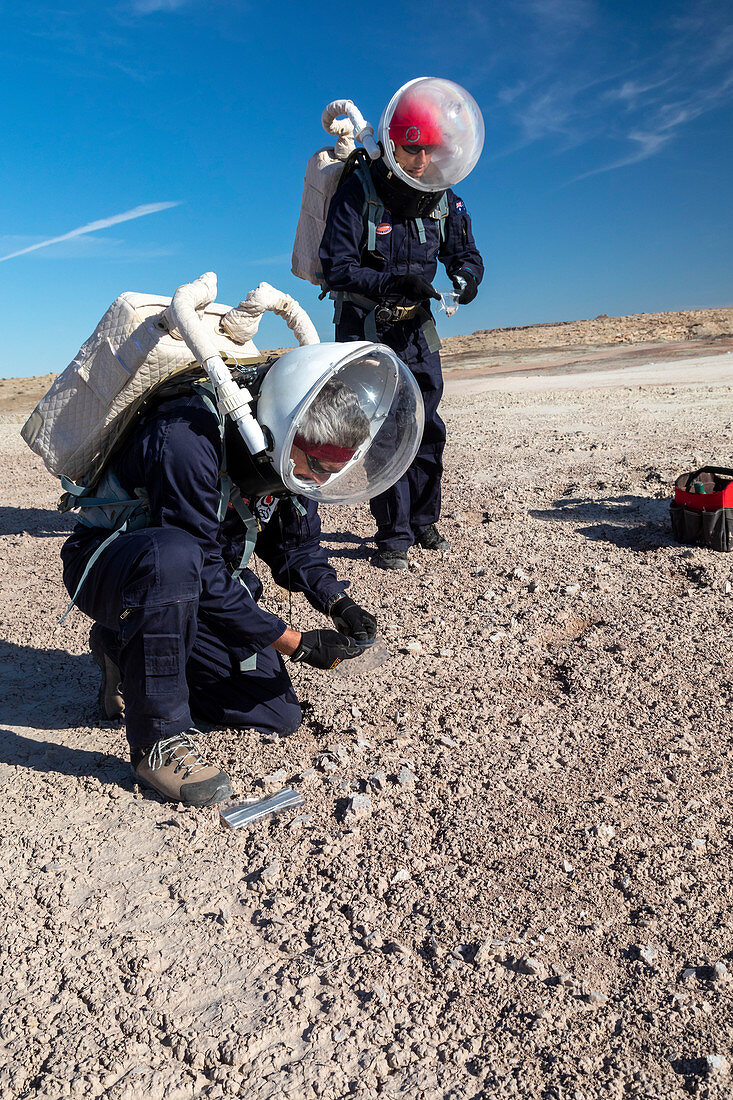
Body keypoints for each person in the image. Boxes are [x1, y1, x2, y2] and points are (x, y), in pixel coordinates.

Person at [60, 375, 381, 808]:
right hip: (118, 567)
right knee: (173, 557)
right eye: (321, 467)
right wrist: (295, 643)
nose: (322, 481)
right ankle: (157, 741)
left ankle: (123, 650)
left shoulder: (285, 460)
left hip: (198, 584)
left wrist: (338, 602)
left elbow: (295, 547)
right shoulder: (185, 437)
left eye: (335, 470)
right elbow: (199, 568)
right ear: (283, 434)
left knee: (275, 714)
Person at [319, 79, 485, 570]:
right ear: (394, 144)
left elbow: (466, 253)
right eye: (413, 149)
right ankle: (393, 534)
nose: (420, 160)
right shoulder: (359, 190)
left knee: (428, 427)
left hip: (418, 333)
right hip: (367, 331)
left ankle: (424, 521)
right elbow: (338, 267)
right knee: (384, 431)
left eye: (429, 150)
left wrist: (467, 277)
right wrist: (394, 283)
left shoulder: (444, 198)